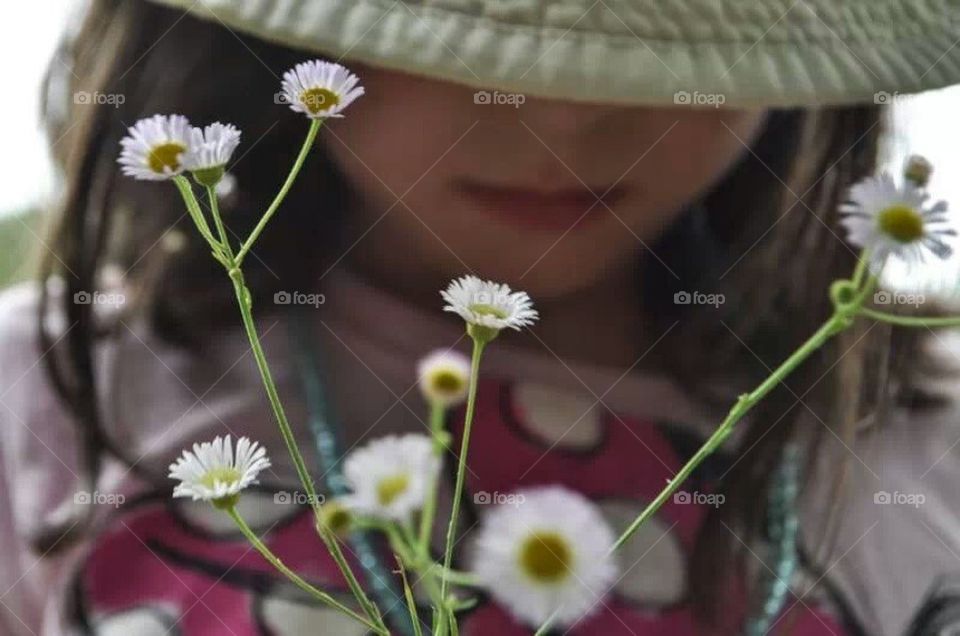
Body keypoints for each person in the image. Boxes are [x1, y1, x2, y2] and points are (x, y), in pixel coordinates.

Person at [1, 0, 960, 634]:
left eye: (662, 46)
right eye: (474, 31)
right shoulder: (38, 401)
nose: (571, 115)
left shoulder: (925, 446)